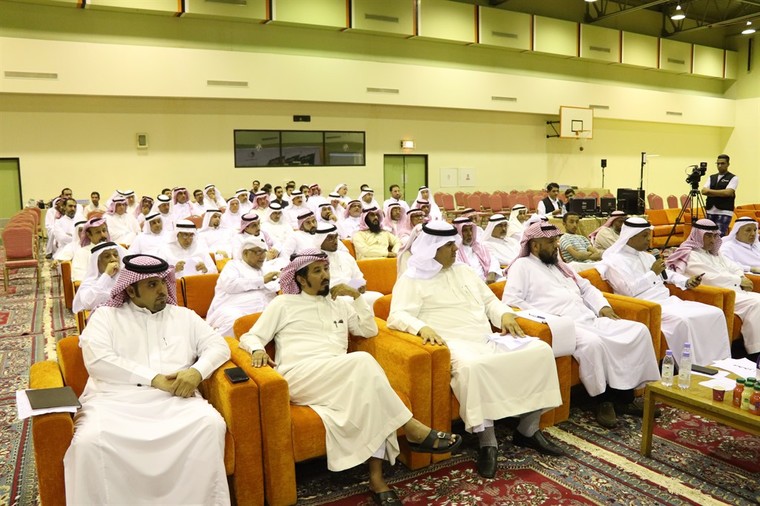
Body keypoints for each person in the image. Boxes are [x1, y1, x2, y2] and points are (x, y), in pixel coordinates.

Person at [239, 250, 461, 503]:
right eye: (317, 271)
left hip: (341, 375)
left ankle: (377, 479)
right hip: (300, 376)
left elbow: (367, 329)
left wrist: (356, 298)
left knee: (371, 399)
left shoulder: (340, 304)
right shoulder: (283, 304)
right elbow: (251, 335)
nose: (325, 275)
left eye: (326, 269)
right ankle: (412, 429)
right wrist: (257, 349)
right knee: (363, 362)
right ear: (300, 279)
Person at [388, 221, 565, 478]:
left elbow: (490, 301)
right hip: (452, 343)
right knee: (474, 367)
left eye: (454, 244)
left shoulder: (464, 271)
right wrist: (420, 327)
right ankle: (487, 442)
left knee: (540, 351)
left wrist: (504, 315)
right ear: (432, 248)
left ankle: (527, 429)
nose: (455, 249)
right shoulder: (411, 279)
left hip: (485, 337)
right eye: (449, 245)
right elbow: (396, 315)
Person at [64, 254, 231, 505]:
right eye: (152, 285)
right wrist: (154, 379)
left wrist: (197, 372)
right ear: (131, 290)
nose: (162, 290)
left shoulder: (183, 316)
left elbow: (219, 345)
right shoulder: (105, 317)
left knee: (210, 424)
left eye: (163, 282)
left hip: (176, 401)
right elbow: (98, 360)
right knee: (89, 441)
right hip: (115, 402)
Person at [503, 222, 660, 428]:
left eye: (556, 241)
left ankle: (625, 397)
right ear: (535, 246)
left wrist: (602, 306)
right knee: (593, 343)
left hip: (588, 317)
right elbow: (512, 301)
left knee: (638, 331)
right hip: (562, 325)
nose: (556, 246)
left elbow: (586, 287)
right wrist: (547, 318)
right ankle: (602, 401)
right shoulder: (522, 267)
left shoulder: (559, 265)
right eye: (551, 242)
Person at [600, 217, 730, 366]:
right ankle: (693, 368)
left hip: (668, 301)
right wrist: (652, 273)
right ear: (630, 237)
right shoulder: (613, 261)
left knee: (715, 313)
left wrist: (686, 281)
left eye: (649, 235)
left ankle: (720, 364)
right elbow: (629, 291)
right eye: (644, 235)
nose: (649, 239)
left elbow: (666, 274)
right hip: (648, 305)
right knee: (684, 321)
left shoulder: (647, 256)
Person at [666, 219, 760, 358]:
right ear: (698, 235)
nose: (712, 240)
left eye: (715, 236)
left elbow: (734, 266)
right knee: (756, 303)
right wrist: (739, 280)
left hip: (732, 290)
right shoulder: (690, 255)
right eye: (708, 236)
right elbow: (711, 278)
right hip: (715, 294)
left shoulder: (714, 252)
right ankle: (755, 351)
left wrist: (741, 276)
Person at [206, 236, 280, 337]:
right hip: (233, 308)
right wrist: (262, 280)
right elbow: (230, 285)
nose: (263, 256)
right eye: (258, 252)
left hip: (261, 309)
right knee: (234, 321)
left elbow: (274, 287)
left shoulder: (265, 268)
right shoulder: (233, 266)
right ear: (245, 253)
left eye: (264, 251)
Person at [312, 223, 383, 309]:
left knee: (378, 297)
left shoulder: (346, 256)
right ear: (320, 240)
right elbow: (316, 286)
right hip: (330, 296)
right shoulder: (314, 260)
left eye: (336, 237)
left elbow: (359, 278)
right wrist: (341, 289)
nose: (335, 241)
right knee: (346, 303)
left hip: (352, 292)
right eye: (330, 238)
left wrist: (359, 286)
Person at [72, 241, 127, 313]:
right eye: (107, 256)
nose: (113, 259)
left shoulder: (126, 279)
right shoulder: (89, 282)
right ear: (97, 262)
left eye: (115, 255)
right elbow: (88, 304)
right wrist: (106, 275)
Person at [452, 216, 501, 283]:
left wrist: (492, 272)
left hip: (487, 281)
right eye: (465, 230)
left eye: (471, 229)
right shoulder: (455, 251)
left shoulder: (479, 246)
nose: (470, 234)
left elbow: (493, 260)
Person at [701, 154, 738, 236]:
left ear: (728, 164)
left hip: (724, 211)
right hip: (710, 210)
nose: (720, 166)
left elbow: (728, 193)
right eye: (718, 163)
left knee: (719, 235)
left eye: (722, 163)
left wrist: (710, 192)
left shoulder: (733, 178)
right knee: (708, 235)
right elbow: (703, 191)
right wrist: (720, 193)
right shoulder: (712, 177)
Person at [72, 216, 111, 282]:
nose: (103, 235)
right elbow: (79, 277)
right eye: (98, 232)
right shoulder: (82, 253)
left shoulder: (115, 248)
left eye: (104, 231)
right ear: (89, 235)